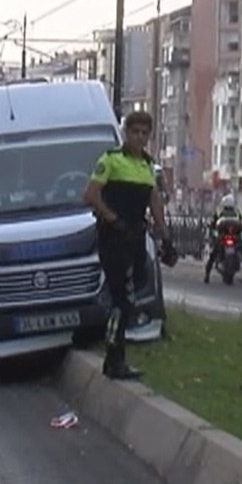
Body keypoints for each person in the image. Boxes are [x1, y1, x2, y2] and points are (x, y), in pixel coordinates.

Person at [83, 109, 174, 381]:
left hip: (135, 238)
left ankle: (116, 355)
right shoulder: (111, 160)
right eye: (135, 132)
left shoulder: (147, 165)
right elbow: (89, 194)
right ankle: (114, 358)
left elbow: (154, 201)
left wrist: (165, 236)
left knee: (130, 298)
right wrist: (112, 218)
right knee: (121, 300)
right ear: (126, 133)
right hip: (113, 238)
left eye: (145, 133)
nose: (140, 137)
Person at [204, 197, 242, 281]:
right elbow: (213, 222)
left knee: (214, 254)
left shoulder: (227, 211)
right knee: (214, 253)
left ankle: (207, 274)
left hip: (231, 237)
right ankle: (207, 274)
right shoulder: (233, 211)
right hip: (227, 236)